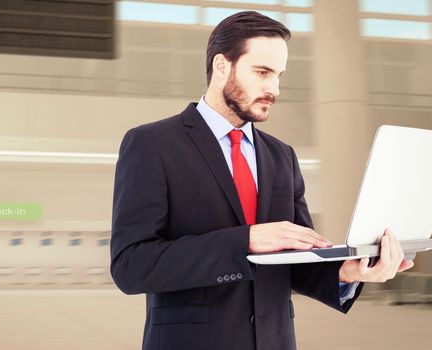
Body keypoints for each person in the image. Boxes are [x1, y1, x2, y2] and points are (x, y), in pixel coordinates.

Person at [109, 11, 414, 350]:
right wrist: (245, 240)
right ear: (222, 65)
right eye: (262, 72)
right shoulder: (152, 144)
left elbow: (296, 262)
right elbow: (130, 266)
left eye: (279, 75)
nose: (274, 88)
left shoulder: (281, 155)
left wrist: (349, 273)